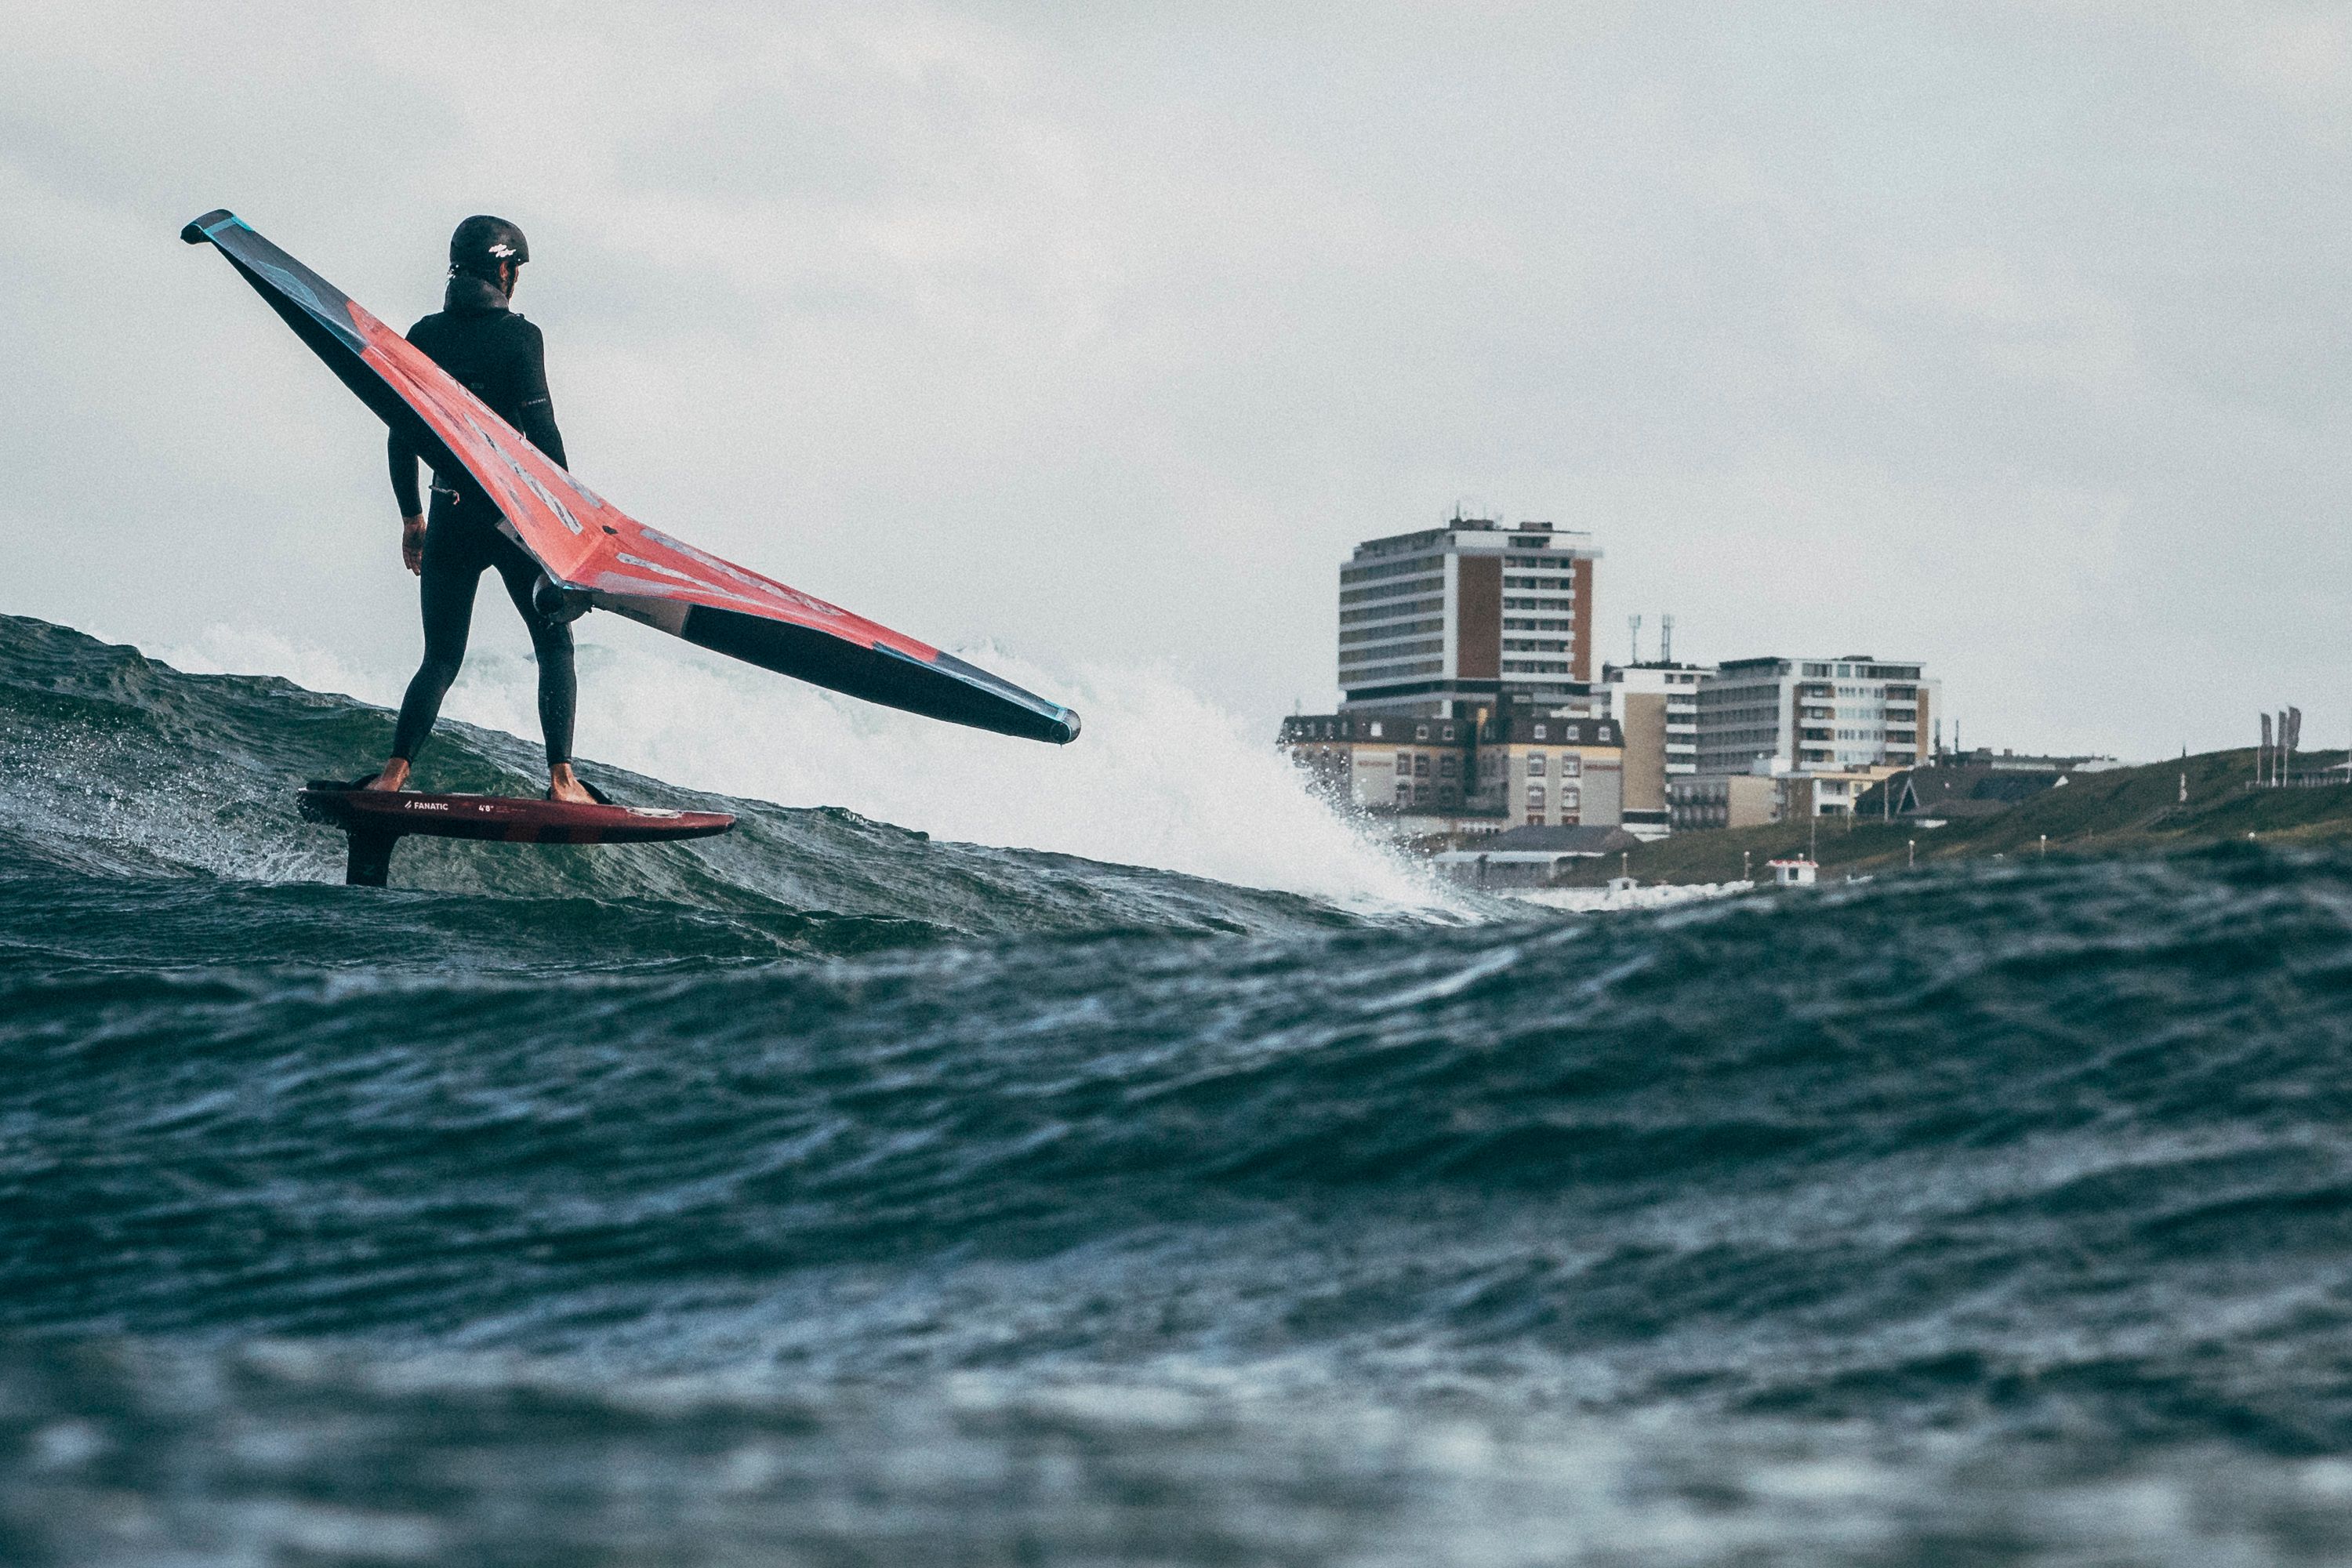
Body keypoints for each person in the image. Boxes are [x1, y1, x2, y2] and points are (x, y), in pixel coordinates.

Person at [364, 214, 593, 803]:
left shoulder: (425, 335)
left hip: (450, 514)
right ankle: (562, 780)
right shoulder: (520, 337)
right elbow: (541, 429)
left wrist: (412, 515)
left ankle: (393, 774)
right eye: (514, 267)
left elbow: (400, 433)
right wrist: (570, 526)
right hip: (516, 521)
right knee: (554, 648)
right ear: (502, 269)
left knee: (440, 657)